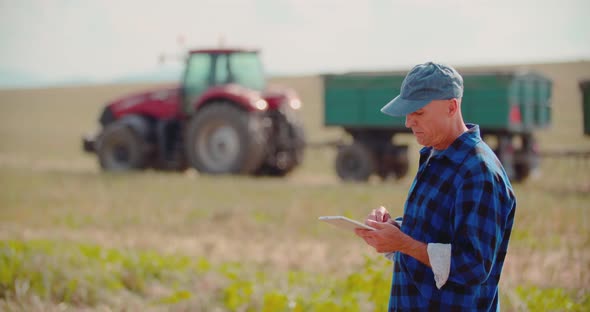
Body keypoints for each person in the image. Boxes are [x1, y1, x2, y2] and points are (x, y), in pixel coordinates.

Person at [354, 62, 516, 311]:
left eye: (418, 112)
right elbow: (434, 234)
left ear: (451, 107)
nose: (409, 122)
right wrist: (392, 229)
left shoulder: (478, 172)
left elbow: (473, 265)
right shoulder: (434, 155)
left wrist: (403, 243)